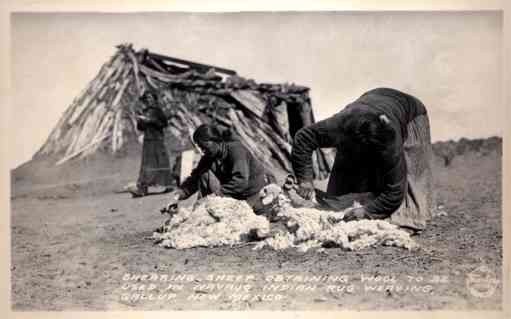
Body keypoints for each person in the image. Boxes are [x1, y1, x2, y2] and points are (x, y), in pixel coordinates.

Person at [291, 88, 435, 231]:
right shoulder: (338, 126)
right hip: (364, 109)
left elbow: (395, 192)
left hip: (410, 111)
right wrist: (304, 180)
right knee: (337, 200)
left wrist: (366, 212)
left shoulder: (390, 140)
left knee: (410, 178)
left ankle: (407, 218)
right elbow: (303, 138)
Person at [165, 124, 268, 213]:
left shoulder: (236, 150)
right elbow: (194, 179)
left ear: (215, 140)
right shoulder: (209, 156)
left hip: (253, 193)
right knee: (204, 174)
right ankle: (204, 210)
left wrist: (212, 197)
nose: (202, 151)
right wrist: (177, 197)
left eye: (204, 146)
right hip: (235, 196)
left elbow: (240, 181)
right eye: (200, 147)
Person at [130, 91, 174, 197]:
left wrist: (151, 120)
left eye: (150, 98)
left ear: (154, 99)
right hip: (148, 140)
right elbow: (140, 128)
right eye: (146, 98)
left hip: (158, 139)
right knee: (147, 163)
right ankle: (143, 187)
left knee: (161, 161)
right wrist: (140, 121)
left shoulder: (158, 111)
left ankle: (168, 184)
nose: (148, 100)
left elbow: (163, 124)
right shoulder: (145, 111)